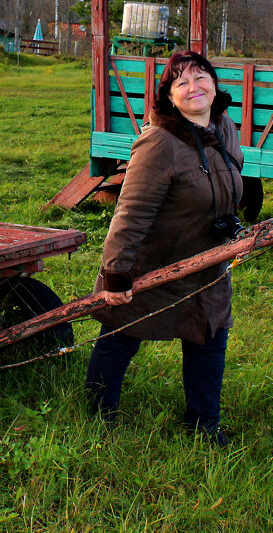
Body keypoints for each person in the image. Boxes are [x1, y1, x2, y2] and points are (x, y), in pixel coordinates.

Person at [85, 50, 244, 446]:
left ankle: (203, 424)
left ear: (214, 82)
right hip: (154, 261)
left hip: (207, 260)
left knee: (210, 334)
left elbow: (230, 174)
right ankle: (96, 412)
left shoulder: (224, 126)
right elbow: (131, 213)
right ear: (169, 96)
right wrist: (117, 274)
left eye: (201, 76)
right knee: (122, 331)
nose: (194, 87)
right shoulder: (158, 142)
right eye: (182, 82)